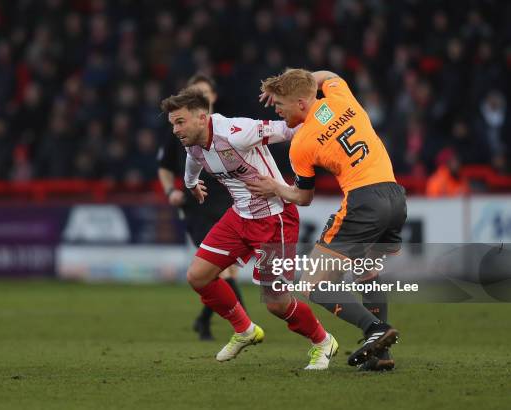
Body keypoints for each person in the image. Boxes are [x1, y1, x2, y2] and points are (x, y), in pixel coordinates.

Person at [160, 88, 338, 370]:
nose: (175, 129)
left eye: (179, 122)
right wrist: (192, 184)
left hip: (274, 219)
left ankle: (323, 341)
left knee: (276, 303)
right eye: (172, 124)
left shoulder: (237, 131)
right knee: (198, 276)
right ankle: (244, 330)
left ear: (201, 117)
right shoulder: (191, 142)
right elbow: (192, 162)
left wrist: (330, 119)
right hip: (238, 217)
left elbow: (292, 127)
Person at [248, 69, 407, 371]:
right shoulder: (340, 96)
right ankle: (380, 355)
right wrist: (297, 80)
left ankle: (374, 329)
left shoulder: (301, 144)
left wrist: (274, 187)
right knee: (366, 272)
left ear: (300, 103)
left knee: (311, 284)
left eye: (280, 104)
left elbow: (303, 197)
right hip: (396, 196)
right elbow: (326, 75)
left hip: (364, 201)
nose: (277, 111)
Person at [157, 74, 245, 340]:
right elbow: (164, 167)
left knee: (224, 272)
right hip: (197, 207)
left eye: (204, 93)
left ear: (213, 97)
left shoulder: (226, 129)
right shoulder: (179, 131)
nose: (200, 97)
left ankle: (206, 321)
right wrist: (172, 190)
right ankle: (243, 324)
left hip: (228, 203)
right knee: (220, 270)